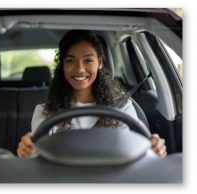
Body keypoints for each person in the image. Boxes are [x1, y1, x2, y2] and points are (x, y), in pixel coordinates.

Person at [17, 30, 167, 158]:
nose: (80, 69)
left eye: (88, 60)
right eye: (70, 61)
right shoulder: (45, 111)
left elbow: (134, 151)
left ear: (99, 63)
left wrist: (152, 149)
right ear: (62, 65)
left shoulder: (122, 107)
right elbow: (38, 157)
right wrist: (27, 151)